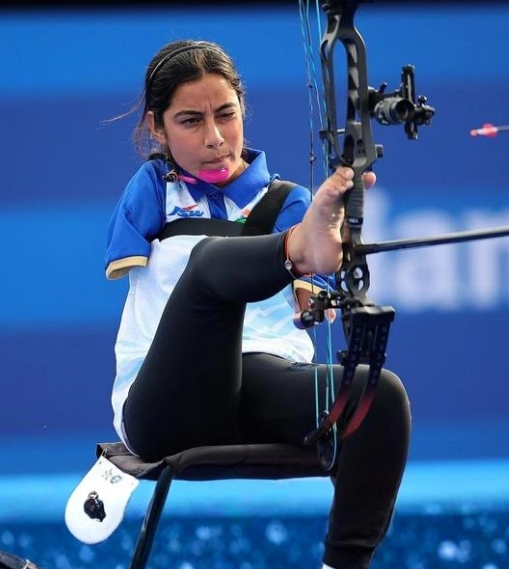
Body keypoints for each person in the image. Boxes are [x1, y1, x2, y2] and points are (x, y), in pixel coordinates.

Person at [103, 39, 411, 569]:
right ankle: (297, 248)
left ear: (244, 109)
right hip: (165, 405)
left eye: (226, 114)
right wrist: (299, 249)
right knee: (209, 269)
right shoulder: (153, 189)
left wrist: (312, 282)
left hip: (261, 384)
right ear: (157, 128)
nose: (215, 139)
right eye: (190, 121)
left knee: (376, 393)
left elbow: (309, 305)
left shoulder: (286, 198)